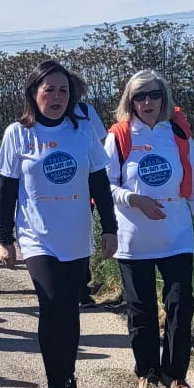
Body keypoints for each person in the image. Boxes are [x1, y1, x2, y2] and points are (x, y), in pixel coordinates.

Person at [0, 60, 117, 388]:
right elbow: (7, 190)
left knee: (69, 309)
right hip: (37, 236)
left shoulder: (82, 132)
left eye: (64, 90)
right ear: (34, 93)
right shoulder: (18, 134)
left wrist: (109, 229)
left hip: (75, 234)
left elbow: (100, 185)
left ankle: (67, 376)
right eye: (49, 90)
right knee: (51, 303)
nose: (57, 97)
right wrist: (5, 238)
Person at [105, 70, 194, 388]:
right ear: (130, 101)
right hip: (133, 240)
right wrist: (133, 199)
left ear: (164, 98)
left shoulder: (178, 134)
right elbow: (104, 186)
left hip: (176, 237)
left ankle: (176, 374)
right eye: (140, 96)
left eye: (154, 94)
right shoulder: (120, 136)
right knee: (141, 311)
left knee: (181, 305)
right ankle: (147, 374)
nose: (147, 102)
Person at [69, 72, 109, 310]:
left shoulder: (86, 112)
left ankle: (81, 287)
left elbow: (100, 143)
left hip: (85, 185)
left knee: (82, 232)